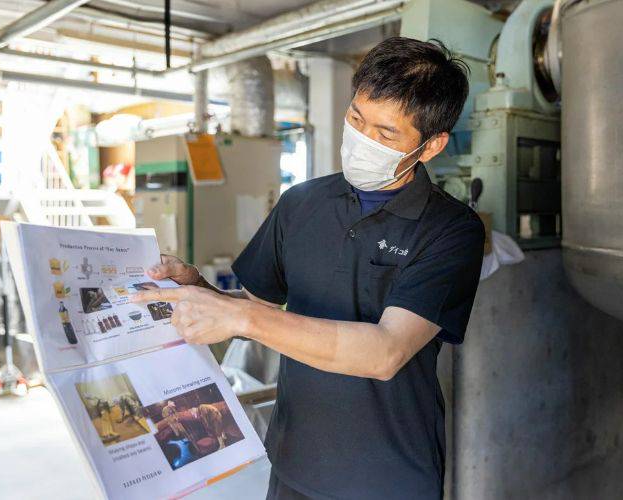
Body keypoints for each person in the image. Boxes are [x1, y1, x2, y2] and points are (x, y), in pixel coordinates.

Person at [133, 37, 484, 500]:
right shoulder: (301, 203)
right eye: (356, 119)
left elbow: (385, 353)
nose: (362, 140)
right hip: (296, 460)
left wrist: (245, 318)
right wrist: (198, 289)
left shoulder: (451, 229)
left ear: (431, 145)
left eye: (386, 133)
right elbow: (255, 309)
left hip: (388, 476)